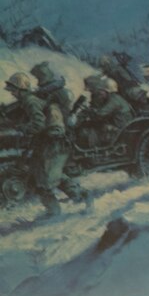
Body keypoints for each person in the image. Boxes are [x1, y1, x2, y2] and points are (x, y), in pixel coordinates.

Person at [4, 71, 89, 215]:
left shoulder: (30, 101)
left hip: (52, 143)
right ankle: (54, 210)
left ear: (20, 89)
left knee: (48, 178)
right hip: (44, 143)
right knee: (41, 177)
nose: (11, 93)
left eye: (13, 89)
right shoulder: (27, 101)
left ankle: (82, 196)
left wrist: (22, 129)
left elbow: (38, 123)